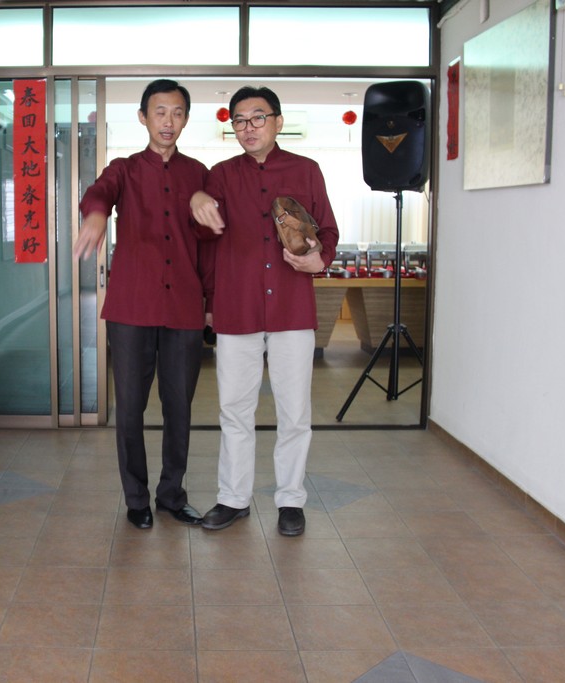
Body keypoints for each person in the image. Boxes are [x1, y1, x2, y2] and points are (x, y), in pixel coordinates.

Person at [190, 85, 339, 537]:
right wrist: (197, 203)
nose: (248, 127)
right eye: (238, 120)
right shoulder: (220, 175)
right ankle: (233, 498)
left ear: (278, 121)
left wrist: (320, 260)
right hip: (236, 308)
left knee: (295, 412)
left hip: (292, 308)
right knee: (235, 410)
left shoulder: (306, 170)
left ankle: (290, 500)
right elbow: (206, 243)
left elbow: (328, 230)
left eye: (257, 117)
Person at [73, 79, 210, 530]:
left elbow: (211, 238)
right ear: (143, 117)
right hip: (131, 307)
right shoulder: (124, 169)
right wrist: (96, 213)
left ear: (185, 119)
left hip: (184, 308)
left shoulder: (199, 174)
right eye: (159, 112)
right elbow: (99, 193)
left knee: (179, 407)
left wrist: (204, 202)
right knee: (130, 408)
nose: (168, 121)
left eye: (177, 113)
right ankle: (136, 498)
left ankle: (171, 494)